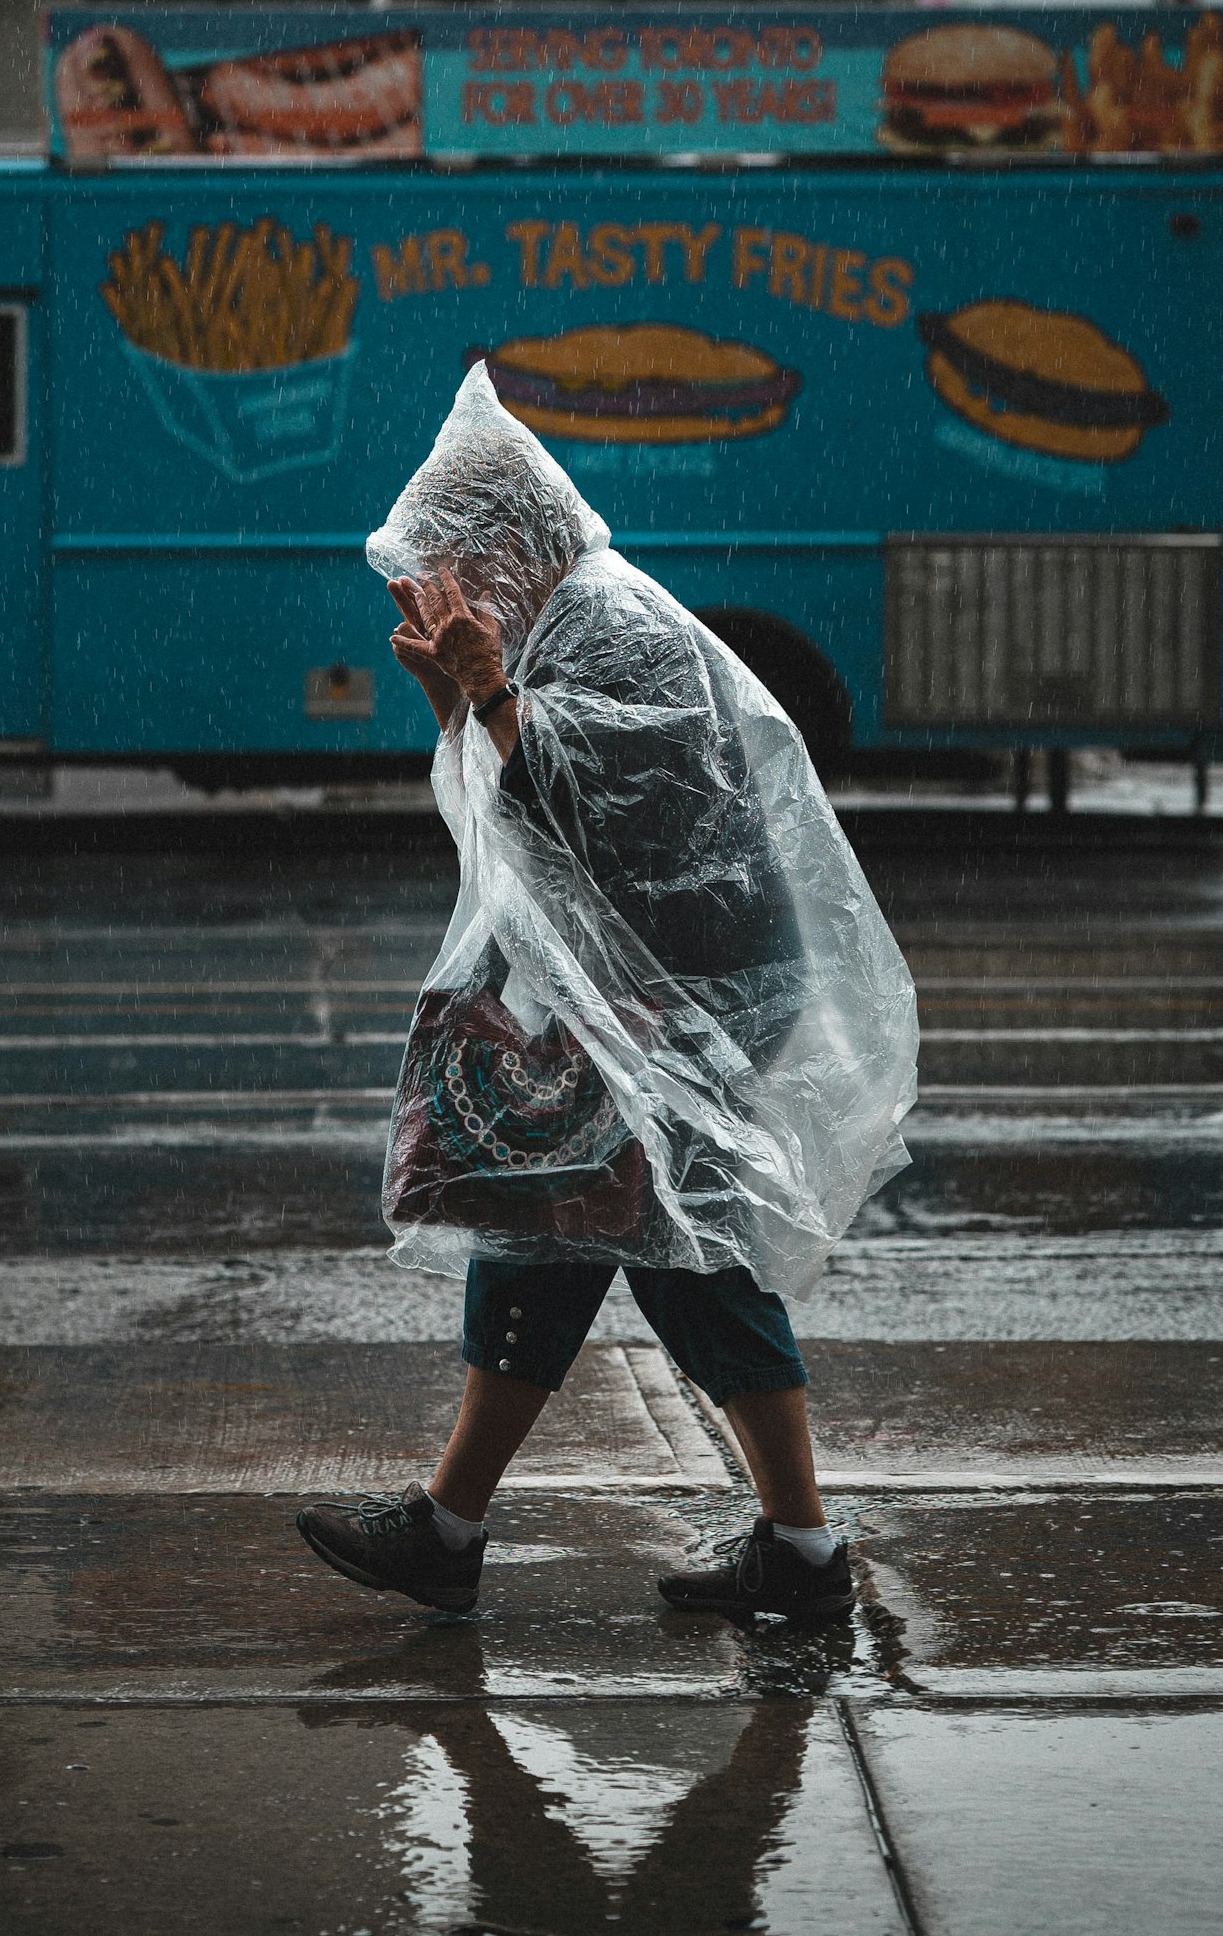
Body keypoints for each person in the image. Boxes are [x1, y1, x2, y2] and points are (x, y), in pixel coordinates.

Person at [296, 367, 916, 1626]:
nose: (439, 589)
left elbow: (608, 809)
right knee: (551, 1226)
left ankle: (787, 1554)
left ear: (507, 546)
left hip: (694, 999)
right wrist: (459, 689)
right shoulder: (553, 634)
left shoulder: (613, 629)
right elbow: (511, 802)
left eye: (451, 564)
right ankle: (463, 1527)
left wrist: (490, 694)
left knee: (677, 1256)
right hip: (645, 993)